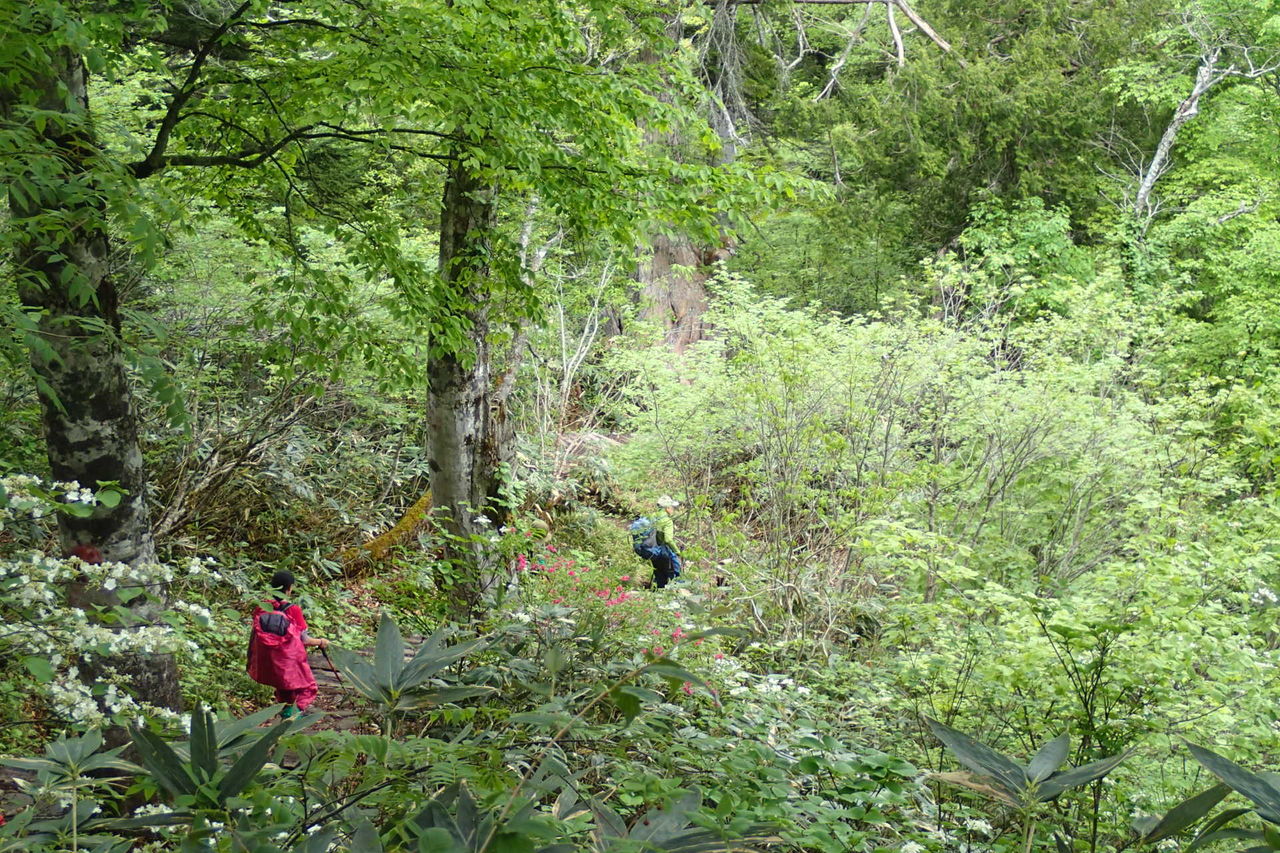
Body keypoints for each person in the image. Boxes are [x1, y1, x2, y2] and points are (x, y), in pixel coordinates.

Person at [246, 569, 329, 718]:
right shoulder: (293, 610)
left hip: (267, 661)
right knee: (307, 688)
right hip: (288, 661)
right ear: (289, 589)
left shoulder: (261, 607)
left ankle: (285, 714)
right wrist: (321, 642)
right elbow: (305, 640)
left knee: (283, 689)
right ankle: (294, 717)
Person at [649, 495, 683, 589]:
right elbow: (668, 540)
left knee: (659, 575)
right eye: (672, 507)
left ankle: (658, 595)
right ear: (667, 508)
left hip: (653, 551)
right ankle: (675, 597)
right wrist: (677, 552)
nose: (673, 509)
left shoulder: (652, 517)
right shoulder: (667, 521)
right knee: (675, 574)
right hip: (664, 551)